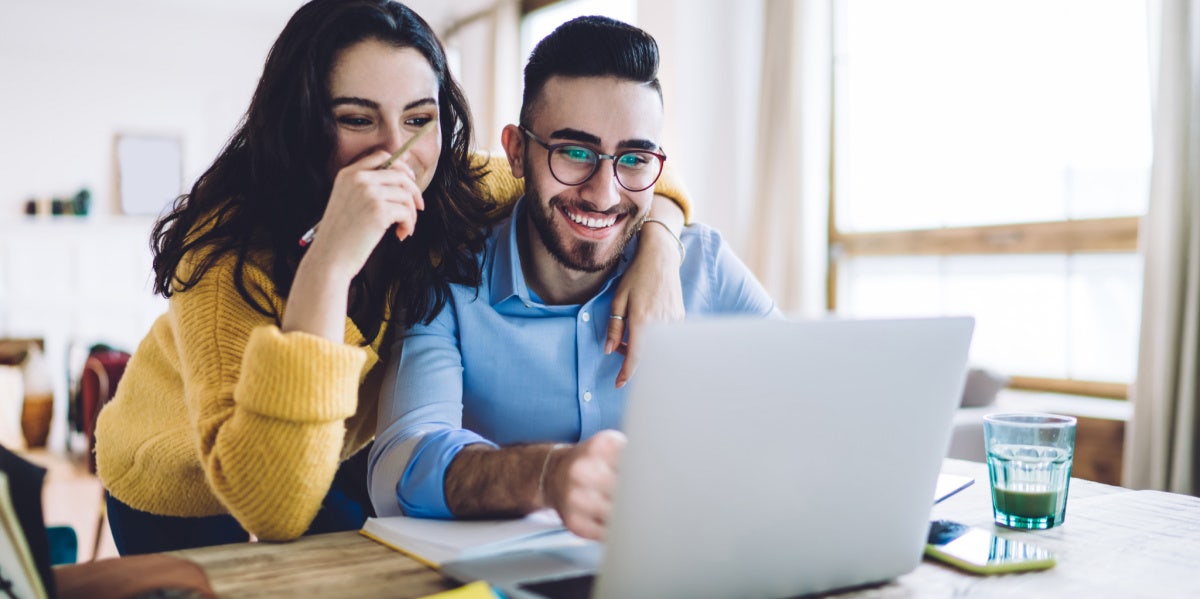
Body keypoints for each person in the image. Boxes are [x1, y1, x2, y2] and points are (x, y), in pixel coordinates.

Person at [93, 0, 691, 555]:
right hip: (184, 472)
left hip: (334, 450)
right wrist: (330, 259)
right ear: (301, 122)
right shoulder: (226, 250)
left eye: (418, 118)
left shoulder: (455, 186)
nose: (395, 153)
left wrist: (660, 250)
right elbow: (270, 506)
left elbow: (616, 180)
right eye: (357, 118)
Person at [369, 15, 780, 541]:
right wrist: (544, 475)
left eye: (633, 159)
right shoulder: (448, 280)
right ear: (517, 152)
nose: (604, 193)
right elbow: (399, 464)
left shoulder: (703, 268)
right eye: (575, 152)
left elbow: (812, 408)